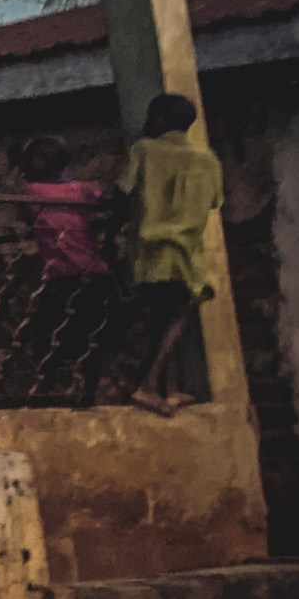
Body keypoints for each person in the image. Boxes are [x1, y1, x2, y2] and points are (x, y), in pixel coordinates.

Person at [120, 91, 224, 415]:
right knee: (175, 318)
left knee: (162, 319)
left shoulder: (143, 150)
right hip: (185, 254)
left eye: (152, 116)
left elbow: (122, 192)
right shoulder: (207, 158)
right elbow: (214, 201)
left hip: (149, 252)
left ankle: (156, 387)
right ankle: (155, 387)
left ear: (162, 119)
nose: (147, 123)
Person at [18, 131, 116, 405]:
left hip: (62, 276)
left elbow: (24, 215)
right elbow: (103, 200)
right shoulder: (82, 189)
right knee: (91, 336)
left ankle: (47, 389)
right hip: (95, 273)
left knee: (46, 337)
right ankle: (89, 392)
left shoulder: (33, 193)